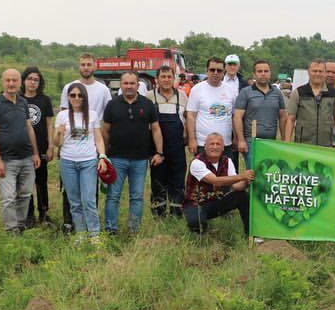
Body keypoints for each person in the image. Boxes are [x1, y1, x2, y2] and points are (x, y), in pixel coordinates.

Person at [102, 72, 163, 234]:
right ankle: (110, 229)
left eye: (132, 83)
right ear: (120, 85)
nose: (129, 86)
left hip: (140, 159)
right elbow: (105, 131)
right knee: (113, 196)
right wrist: (103, 155)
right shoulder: (112, 104)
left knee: (136, 197)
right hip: (116, 158)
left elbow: (156, 130)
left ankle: (134, 229)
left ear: (138, 85)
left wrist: (159, 152)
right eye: (126, 83)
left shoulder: (148, 104)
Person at [58, 53, 112, 234]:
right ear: (79, 66)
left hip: (90, 152)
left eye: (89, 64)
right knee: (72, 198)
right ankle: (74, 228)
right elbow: (63, 125)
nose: (86, 67)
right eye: (83, 64)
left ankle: (94, 232)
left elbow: (106, 119)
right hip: (68, 156)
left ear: (94, 66)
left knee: (89, 197)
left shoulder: (102, 90)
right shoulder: (68, 88)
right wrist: (59, 137)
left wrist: (102, 154)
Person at [0, 69, 41, 233]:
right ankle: (11, 230)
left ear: (19, 82)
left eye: (14, 80)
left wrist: (36, 153)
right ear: (3, 82)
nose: (11, 84)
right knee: (8, 197)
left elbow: (29, 128)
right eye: (8, 80)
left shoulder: (23, 102)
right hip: (7, 160)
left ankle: (20, 225)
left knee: (25, 194)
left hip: (27, 158)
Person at [184, 132, 253, 235]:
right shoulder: (197, 162)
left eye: (218, 144)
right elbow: (215, 180)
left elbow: (235, 185)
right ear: (205, 146)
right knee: (197, 224)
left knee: (242, 195)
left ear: (223, 148)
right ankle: (198, 233)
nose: (215, 147)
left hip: (216, 202)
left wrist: (247, 182)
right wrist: (242, 176)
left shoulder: (227, 161)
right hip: (196, 204)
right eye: (211, 144)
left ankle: (250, 233)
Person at [145, 65, 188, 217]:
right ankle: (159, 214)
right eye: (163, 77)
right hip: (157, 149)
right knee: (158, 181)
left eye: (169, 76)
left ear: (173, 78)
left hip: (177, 147)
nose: (166, 79)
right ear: (156, 79)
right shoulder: (149, 97)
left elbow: (187, 120)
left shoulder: (182, 96)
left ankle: (177, 212)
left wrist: (188, 138)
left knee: (177, 180)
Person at [186, 56, 241, 161]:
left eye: (219, 70)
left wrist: (236, 138)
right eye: (212, 70)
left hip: (225, 143)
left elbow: (234, 116)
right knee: (205, 176)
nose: (215, 73)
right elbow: (191, 116)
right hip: (203, 143)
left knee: (226, 175)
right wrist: (192, 139)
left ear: (223, 72)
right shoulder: (197, 89)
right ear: (207, 71)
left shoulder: (231, 91)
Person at [233, 59, 285, 168]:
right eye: (260, 71)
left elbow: (282, 116)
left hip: (271, 142)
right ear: (254, 74)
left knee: (269, 173)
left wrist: (284, 139)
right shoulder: (246, 92)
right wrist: (241, 140)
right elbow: (237, 117)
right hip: (252, 142)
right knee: (253, 174)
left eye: (266, 71)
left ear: (270, 73)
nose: (263, 74)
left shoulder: (277, 93)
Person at [20, 66, 54, 227]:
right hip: (22, 149)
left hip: (41, 147)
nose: (33, 82)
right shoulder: (18, 99)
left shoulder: (44, 100)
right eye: (30, 79)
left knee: (41, 181)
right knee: (26, 183)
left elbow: (49, 125)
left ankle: (44, 213)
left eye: (36, 80)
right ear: (24, 80)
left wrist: (51, 146)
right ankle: (29, 216)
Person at [285, 59, 335, 147]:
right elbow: (290, 119)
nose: (317, 74)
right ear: (308, 72)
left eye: (320, 71)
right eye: (314, 71)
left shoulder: (333, 93)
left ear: (324, 73)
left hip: (326, 145)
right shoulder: (298, 92)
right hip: (302, 144)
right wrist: (287, 143)